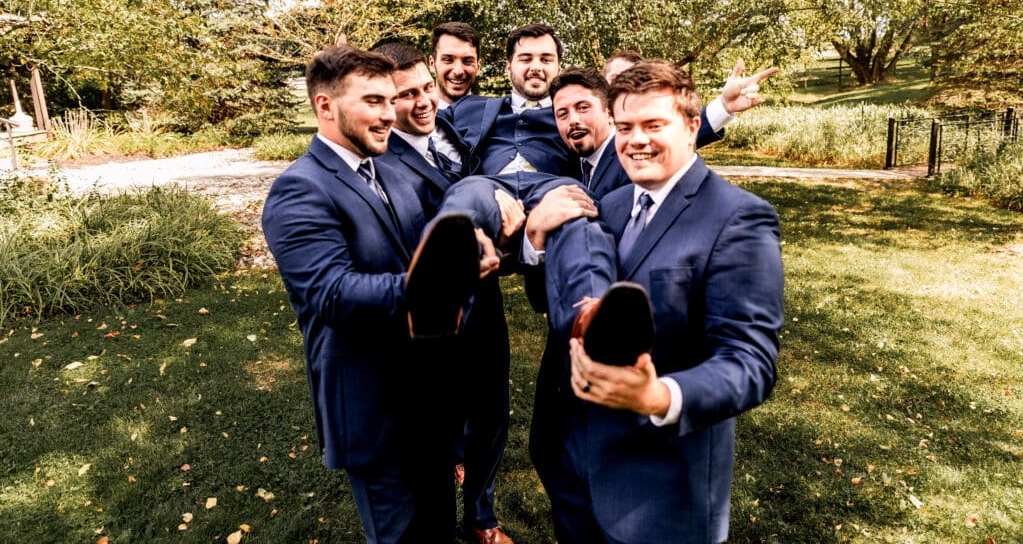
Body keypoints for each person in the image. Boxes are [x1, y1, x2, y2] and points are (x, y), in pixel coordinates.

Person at [525, 59, 784, 543]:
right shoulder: (610, 205)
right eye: (624, 127)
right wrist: (537, 239)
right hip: (576, 470)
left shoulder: (740, 218)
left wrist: (656, 396)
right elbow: (552, 300)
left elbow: (751, 363)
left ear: (691, 127)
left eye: (653, 125)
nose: (635, 140)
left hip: (660, 491)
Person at [261, 45, 499, 543]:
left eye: (390, 100)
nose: (391, 113)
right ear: (325, 106)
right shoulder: (299, 190)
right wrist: (442, 280)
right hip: (375, 411)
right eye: (374, 101)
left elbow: (433, 235)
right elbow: (332, 292)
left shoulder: (391, 167)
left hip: (431, 404)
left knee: (439, 530)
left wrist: (466, 244)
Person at [373, 42, 518, 544]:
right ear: (379, 103)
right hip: (433, 320)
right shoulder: (380, 165)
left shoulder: (455, 128)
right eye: (404, 95)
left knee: (492, 411)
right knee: (441, 426)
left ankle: (481, 514)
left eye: (424, 88)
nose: (422, 102)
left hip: (487, 306)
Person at [551, 60, 777, 199]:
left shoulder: (631, 159)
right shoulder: (576, 159)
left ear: (609, 113)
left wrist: (723, 107)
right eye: (562, 113)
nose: (573, 120)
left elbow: (672, 139)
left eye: (583, 108)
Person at [431, 22, 482, 107]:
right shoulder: (410, 118)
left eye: (467, 61)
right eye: (448, 60)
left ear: (478, 67)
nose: (458, 71)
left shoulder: (495, 115)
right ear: (432, 64)